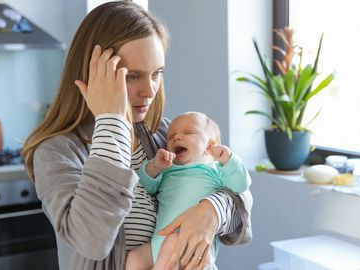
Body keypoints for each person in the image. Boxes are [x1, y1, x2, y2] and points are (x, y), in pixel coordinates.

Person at [21, 2, 253, 270]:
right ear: (92, 75)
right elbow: (91, 240)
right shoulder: (57, 151)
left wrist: (211, 211)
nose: (149, 90)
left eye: (157, 74)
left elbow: (241, 202)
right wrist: (111, 123)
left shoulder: (165, 135)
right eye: (133, 77)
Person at [126, 112, 251, 269]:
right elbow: (145, 187)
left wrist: (229, 159)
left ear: (210, 145)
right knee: (135, 257)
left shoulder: (216, 170)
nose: (176, 138)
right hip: (156, 244)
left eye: (188, 133)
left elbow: (241, 186)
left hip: (189, 248)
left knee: (172, 241)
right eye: (171, 137)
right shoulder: (168, 169)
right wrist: (154, 167)